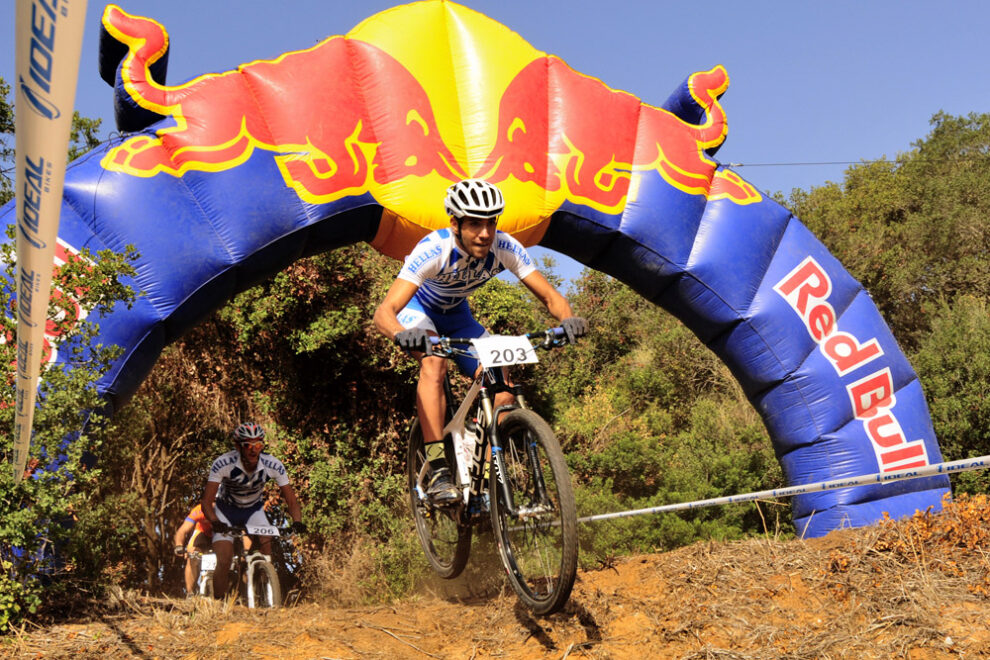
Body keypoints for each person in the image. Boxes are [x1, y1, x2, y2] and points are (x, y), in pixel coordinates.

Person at [373, 179, 587, 505]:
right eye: (474, 223)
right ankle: (439, 468)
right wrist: (402, 334)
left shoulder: (506, 247)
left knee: (502, 389)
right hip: (420, 312)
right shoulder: (434, 249)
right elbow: (384, 312)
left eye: (491, 222)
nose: (485, 233)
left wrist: (568, 319)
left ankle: (480, 473)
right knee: (435, 362)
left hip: (458, 316)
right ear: (455, 223)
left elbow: (550, 296)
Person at [201, 422, 307, 599]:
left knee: (266, 545)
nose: (253, 450)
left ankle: (265, 588)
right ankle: (218, 603)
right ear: (237, 446)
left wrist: (297, 522)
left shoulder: (272, 464)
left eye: (258, 445)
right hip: (225, 512)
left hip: (253, 510)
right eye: (248, 445)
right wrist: (215, 522)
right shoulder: (223, 463)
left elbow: (291, 500)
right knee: (225, 559)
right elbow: (206, 502)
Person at [173, 503, 214, 596]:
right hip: (202, 532)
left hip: (221, 534)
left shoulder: (226, 509)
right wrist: (179, 545)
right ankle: (190, 593)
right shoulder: (199, 510)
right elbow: (182, 530)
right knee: (192, 555)